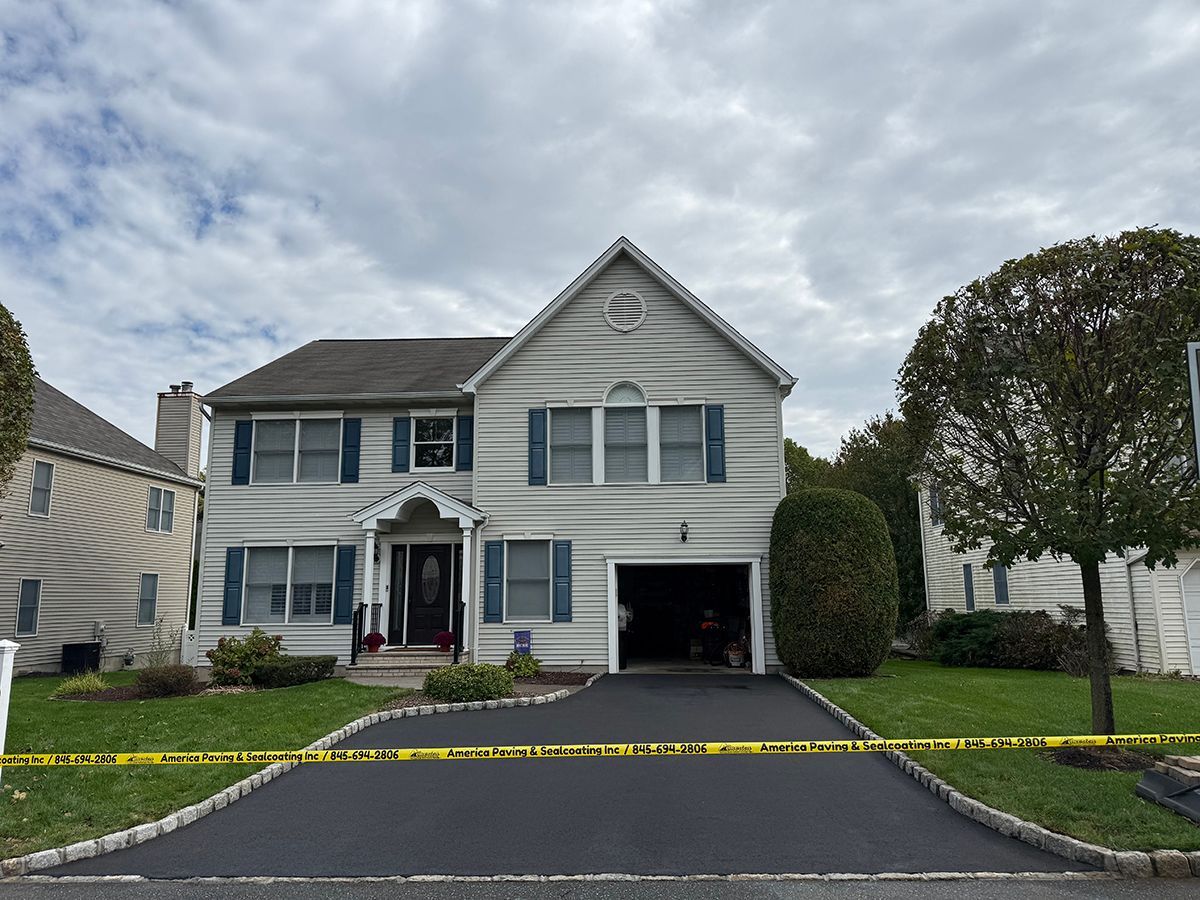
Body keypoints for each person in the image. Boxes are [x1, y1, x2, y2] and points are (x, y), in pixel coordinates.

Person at [617, 601, 633, 670]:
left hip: (623, 629)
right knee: (620, 647)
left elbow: (629, 619)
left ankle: (622, 664)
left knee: (622, 647)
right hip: (616, 629)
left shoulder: (623, 606)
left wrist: (628, 615)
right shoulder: (617, 606)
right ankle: (620, 664)